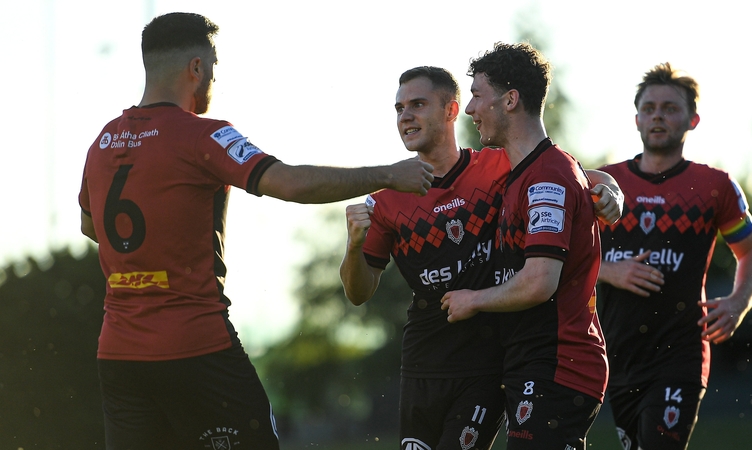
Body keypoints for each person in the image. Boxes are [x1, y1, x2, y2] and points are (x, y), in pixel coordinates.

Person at [77, 12, 434, 450]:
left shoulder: (103, 141)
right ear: (196, 68)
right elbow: (289, 183)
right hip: (195, 346)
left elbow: (91, 225)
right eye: (213, 68)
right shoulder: (204, 136)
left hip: (118, 356)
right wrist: (388, 173)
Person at [440, 43, 608, 450]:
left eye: (478, 95)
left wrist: (473, 300)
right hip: (536, 362)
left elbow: (539, 282)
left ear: (510, 100)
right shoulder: (524, 173)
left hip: (558, 363)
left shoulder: (548, 175)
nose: (469, 109)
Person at [595, 63, 752, 450]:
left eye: (670, 108)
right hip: (618, 352)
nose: (658, 115)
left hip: (681, 352)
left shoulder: (714, 186)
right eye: (650, 107)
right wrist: (608, 270)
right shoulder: (603, 183)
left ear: (693, 119)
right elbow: (564, 255)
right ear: (636, 118)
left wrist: (739, 302)